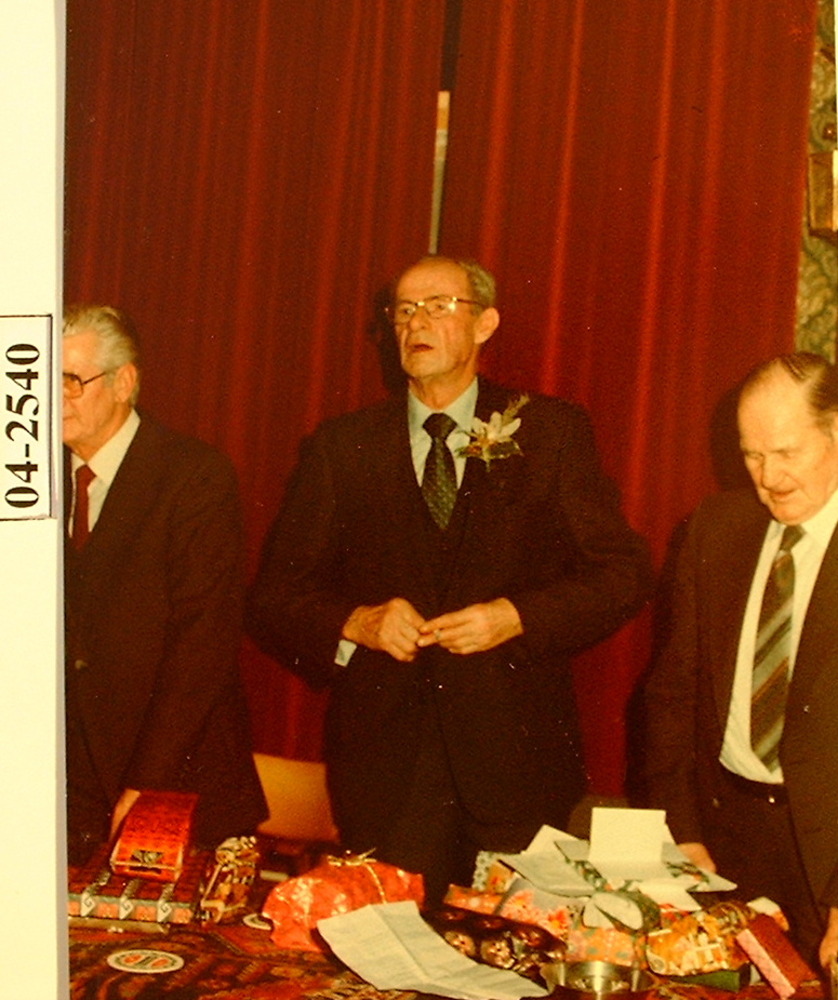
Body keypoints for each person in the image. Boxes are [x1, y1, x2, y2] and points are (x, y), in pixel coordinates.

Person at [247, 255, 652, 902]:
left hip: (518, 769)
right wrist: (357, 623)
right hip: (386, 774)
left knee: (511, 950)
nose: (417, 323)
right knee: (387, 951)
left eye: (438, 306)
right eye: (404, 311)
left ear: (485, 324)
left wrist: (517, 617)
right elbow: (274, 597)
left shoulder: (551, 432)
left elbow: (623, 573)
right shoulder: (342, 447)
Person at [643, 352, 838, 969]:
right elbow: (672, 693)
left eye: (786, 452)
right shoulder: (717, 527)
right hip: (724, 839)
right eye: (752, 455)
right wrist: (682, 829)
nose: (768, 476)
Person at [63, 304, 266, 864]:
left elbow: (203, 647)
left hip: (173, 783)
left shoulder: (193, 476)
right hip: (70, 791)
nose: (54, 398)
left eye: (72, 380)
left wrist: (144, 785)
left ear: (124, 382)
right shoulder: (34, 479)